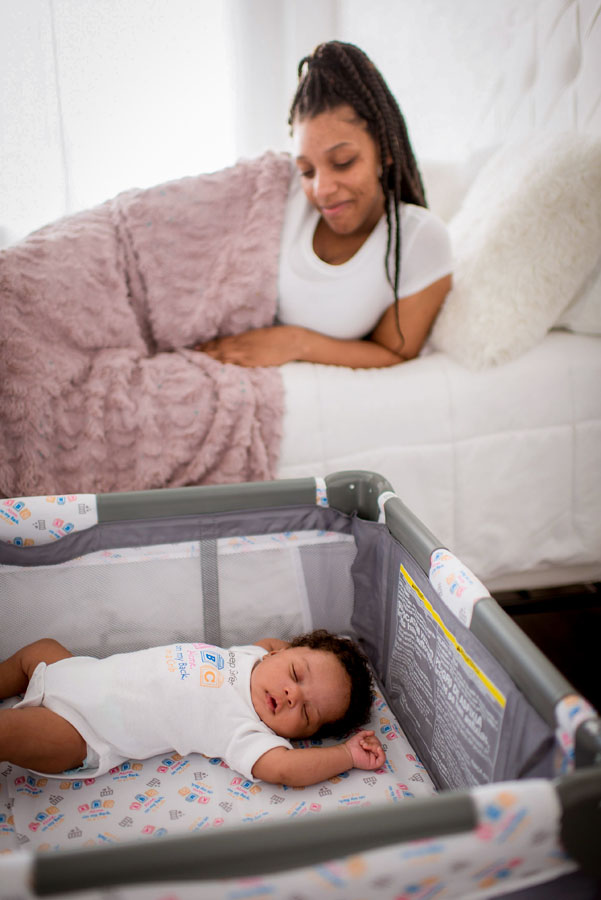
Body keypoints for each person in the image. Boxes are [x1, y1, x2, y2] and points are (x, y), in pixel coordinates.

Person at [196, 40, 452, 369]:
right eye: (306, 170)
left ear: (385, 151)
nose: (322, 189)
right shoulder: (280, 196)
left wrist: (294, 342)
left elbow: (394, 352)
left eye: (343, 162)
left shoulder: (420, 239)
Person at [0, 629, 385, 788]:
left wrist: (345, 754)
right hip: (77, 672)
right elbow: (271, 644)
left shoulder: (247, 732)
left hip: (82, 731)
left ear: (298, 736)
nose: (291, 696)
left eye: (305, 714)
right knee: (38, 652)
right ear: (281, 652)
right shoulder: (255, 656)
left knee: (9, 731)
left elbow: (286, 769)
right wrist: (287, 653)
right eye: (297, 674)